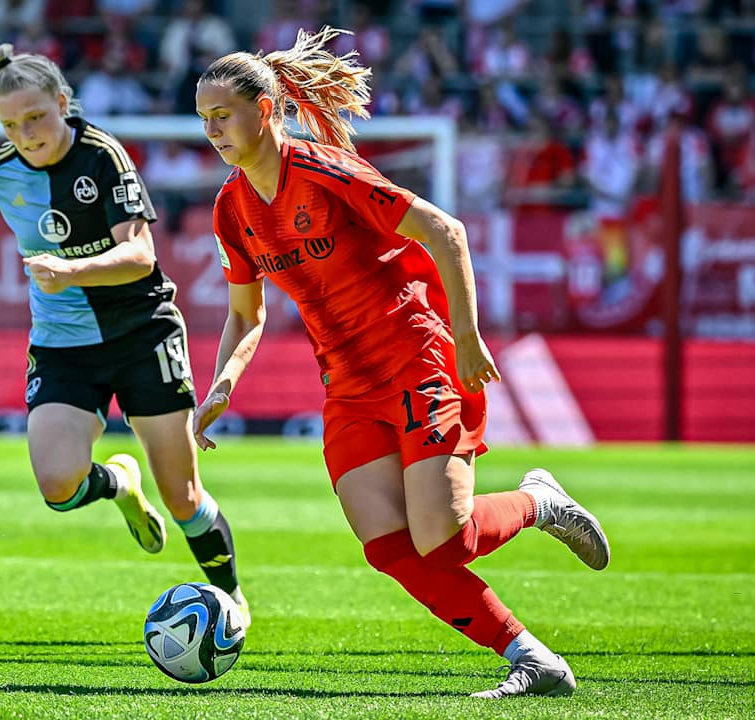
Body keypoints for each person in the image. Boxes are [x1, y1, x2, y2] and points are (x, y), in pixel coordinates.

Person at [192, 27, 610, 697]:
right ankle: (534, 660)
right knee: (388, 545)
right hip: (347, 385)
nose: (212, 130)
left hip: (415, 357)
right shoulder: (229, 209)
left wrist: (467, 338)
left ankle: (539, 502)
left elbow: (446, 231)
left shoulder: (325, 171)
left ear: (265, 110)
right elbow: (246, 313)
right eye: (204, 118)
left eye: (222, 114)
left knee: (443, 540)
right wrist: (222, 384)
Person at [0, 44, 249, 625]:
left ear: (63, 102)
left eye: (35, 117)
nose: (25, 134)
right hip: (63, 343)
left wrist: (70, 270)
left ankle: (231, 600)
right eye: (10, 125)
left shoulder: (103, 156)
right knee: (56, 486)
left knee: (182, 495)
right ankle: (119, 484)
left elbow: (140, 256)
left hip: (142, 334)